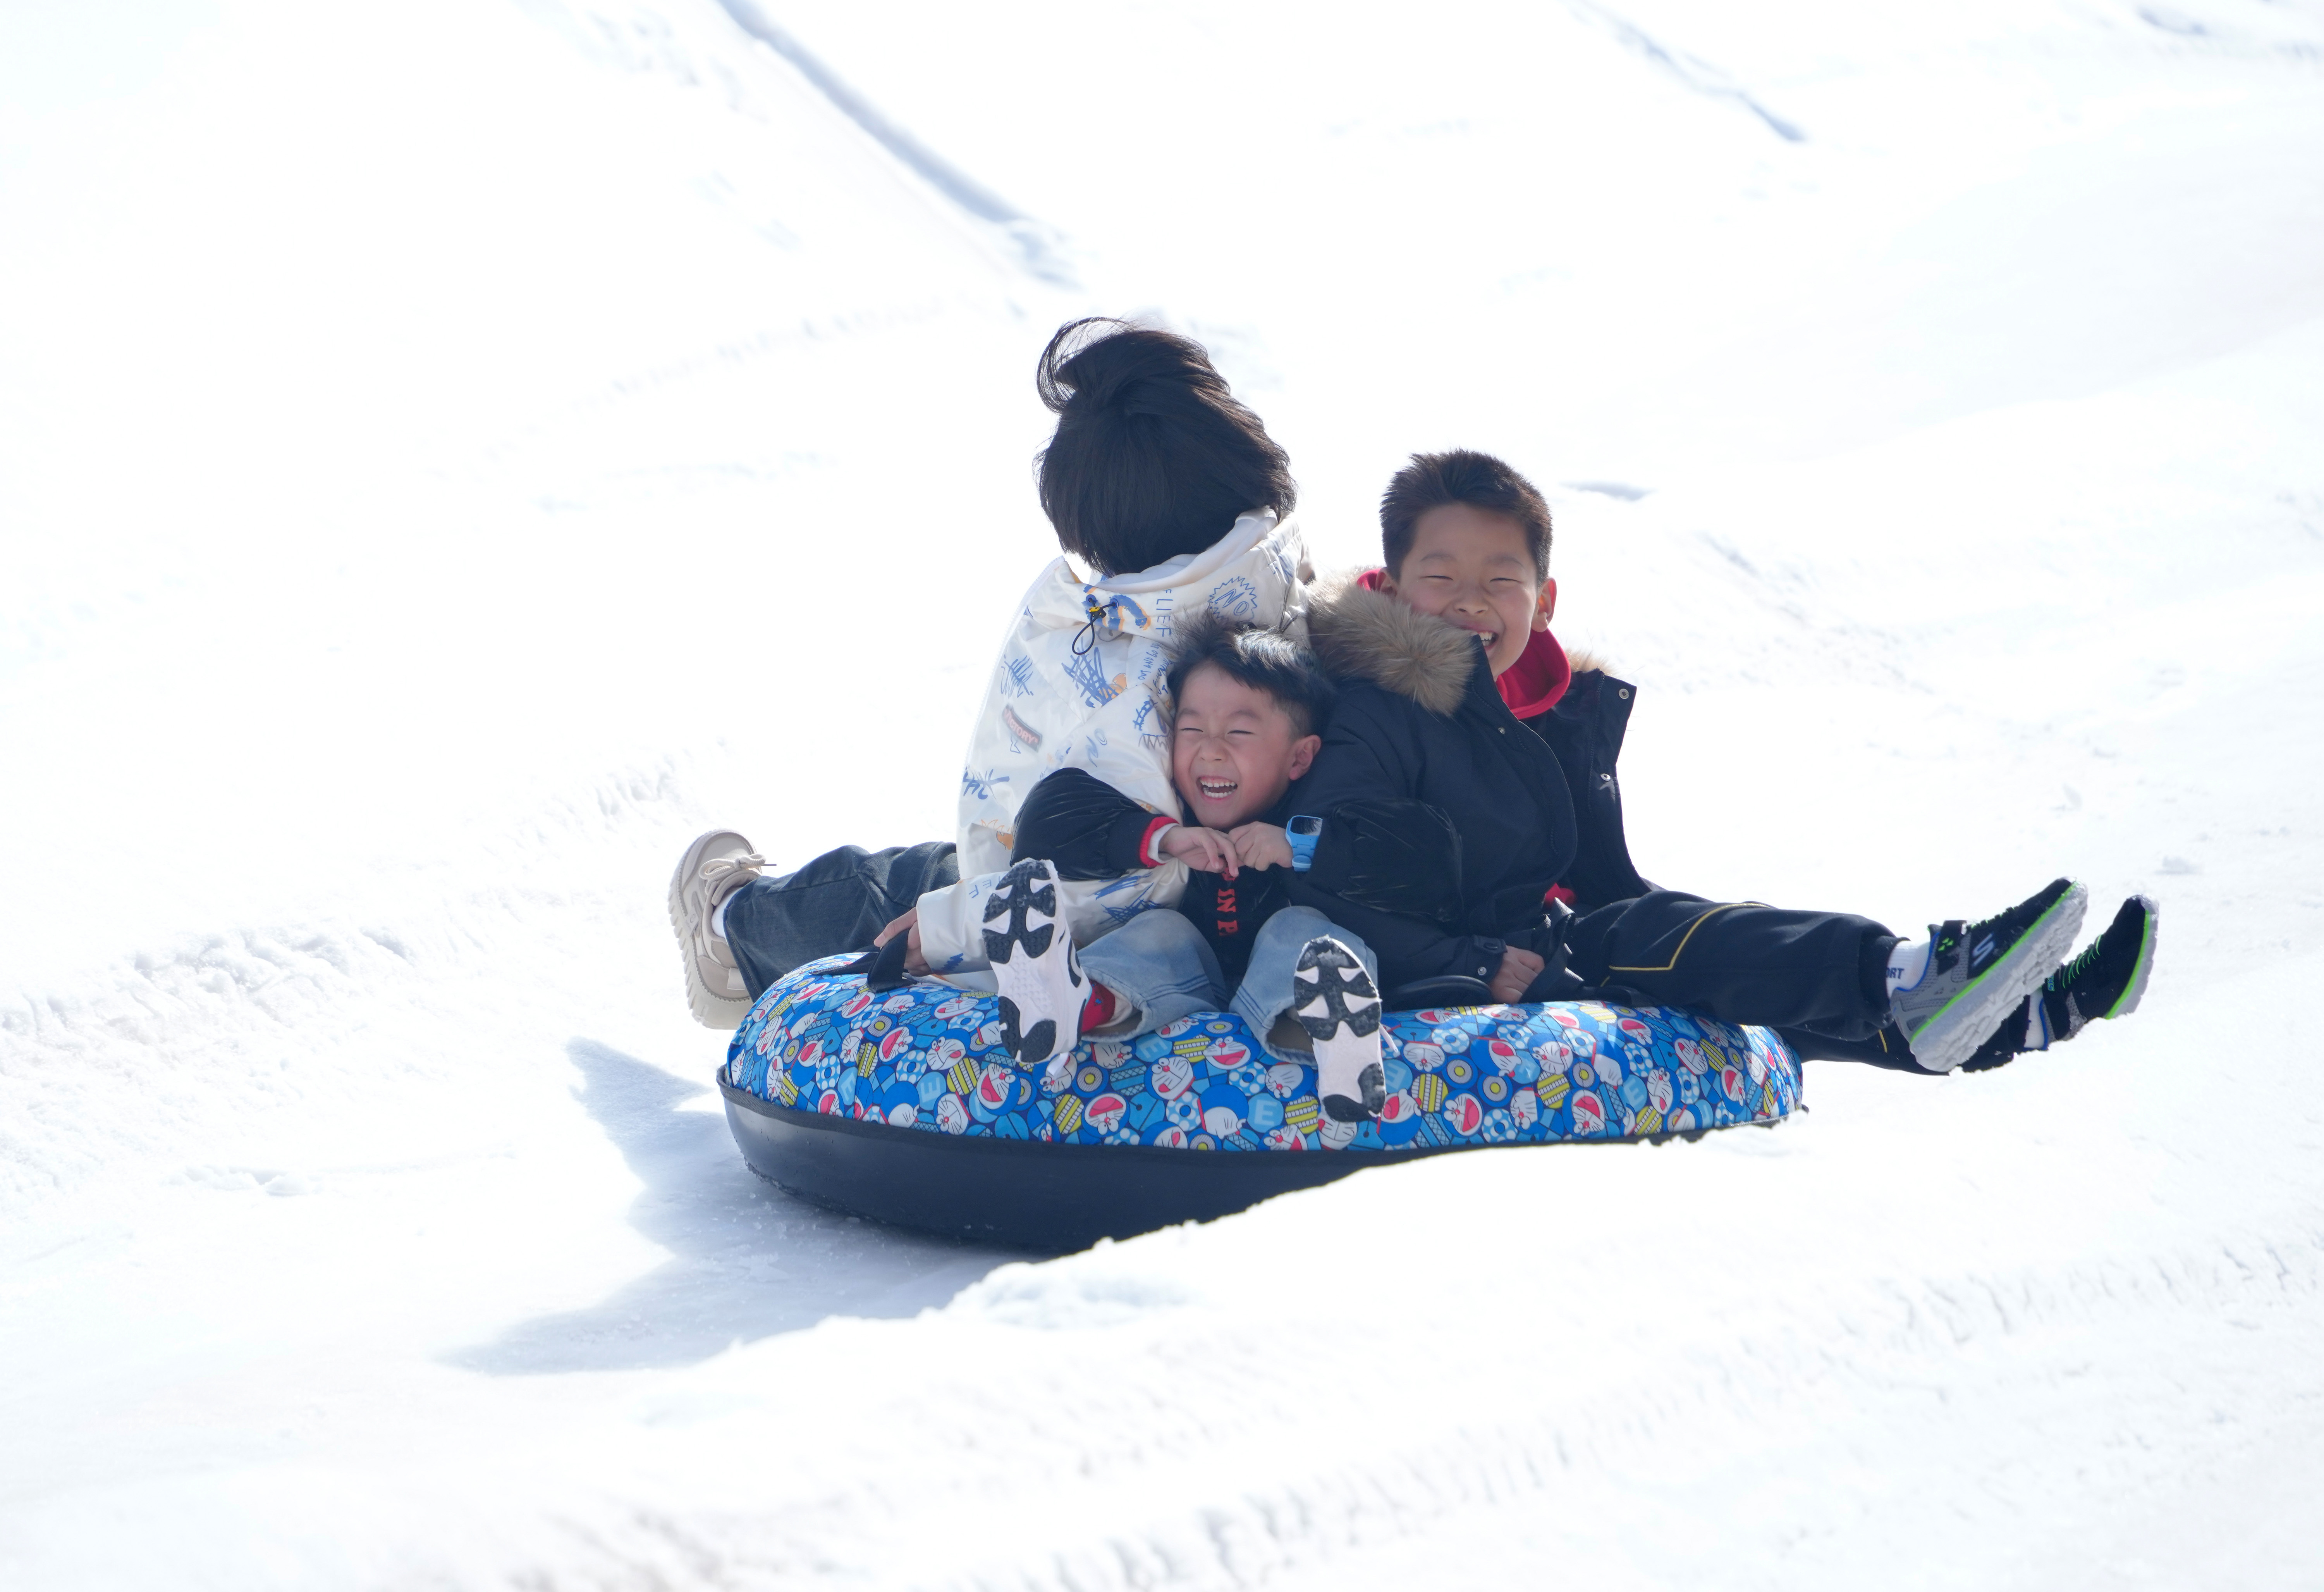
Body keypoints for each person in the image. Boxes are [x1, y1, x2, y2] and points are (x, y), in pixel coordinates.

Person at [1286, 449, 2159, 1076]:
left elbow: (1599, 881)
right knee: (1661, 939)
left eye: (1500, 581)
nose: (1471, 602)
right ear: (1392, 588)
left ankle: (2025, 1013)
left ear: (1543, 603)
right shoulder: (1381, 710)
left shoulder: (1550, 711)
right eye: (1441, 577)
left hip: (1563, 938)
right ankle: (1905, 971)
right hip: (1467, 966)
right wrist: (1473, 958)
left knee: (1724, 943)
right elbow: (1325, 865)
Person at [665, 318, 1312, 1030]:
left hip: (1124, 933)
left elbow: (1112, 891)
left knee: (903, 894)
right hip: (1269, 898)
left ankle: (729, 924)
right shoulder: (1283, 579)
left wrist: (955, 923)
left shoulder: (1141, 680)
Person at [976, 614, 1463, 1129]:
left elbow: (1432, 861)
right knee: (1160, 931)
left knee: (1300, 931)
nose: (1211, 750)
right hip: (1182, 984)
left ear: (1300, 757)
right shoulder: (1164, 804)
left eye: (1239, 732)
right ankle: (1077, 1001)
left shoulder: (1320, 802)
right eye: (1192, 730)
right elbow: (1042, 823)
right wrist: (1160, 838)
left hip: (1279, 996)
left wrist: (1300, 847)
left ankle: (1332, 1031)